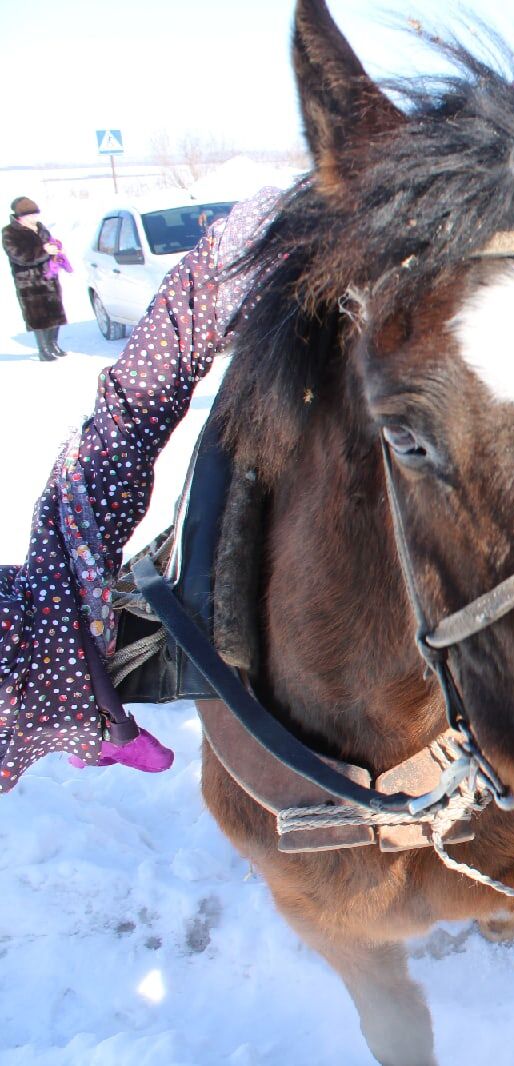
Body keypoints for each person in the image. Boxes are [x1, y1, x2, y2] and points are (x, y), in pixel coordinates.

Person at [0, 187, 280, 792]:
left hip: (59, 633)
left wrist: (111, 730)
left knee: (120, 435)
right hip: (58, 627)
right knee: (121, 431)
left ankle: (220, 271)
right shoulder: (44, 648)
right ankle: (220, 270)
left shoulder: (45, 676)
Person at [3, 197, 69, 361]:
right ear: (20, 216)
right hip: (29, 282)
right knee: (38, 317)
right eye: (30, 215)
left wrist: (57, 251)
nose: (34, 218)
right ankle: (43, 350)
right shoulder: (9, 232)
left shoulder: (41, 228)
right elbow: (20, 256)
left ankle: (53, 344)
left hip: (49, 278)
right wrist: (44, 250)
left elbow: (50, 247)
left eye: (35, 214)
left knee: (56, 313)